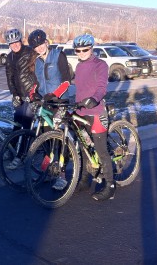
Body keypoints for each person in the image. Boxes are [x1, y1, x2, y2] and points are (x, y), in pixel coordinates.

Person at [73, 33, 115, 201]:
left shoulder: (100, 65)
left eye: (85, 49)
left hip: (96, 111)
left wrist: (94, 99)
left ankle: (110, 186)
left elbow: (101, 87)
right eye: (78, 50)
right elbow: (80, 89)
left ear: (91, 49)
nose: (82, 53)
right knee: (83, 148)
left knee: (101, 150)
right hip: (81, 113)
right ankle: (84, 180)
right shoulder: (78, 66)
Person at [28, 29, 72, 190]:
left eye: (40, 44)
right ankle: (47, 170)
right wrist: (33, 93)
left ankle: (62, 175)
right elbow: (37, 83)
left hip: (60, 102)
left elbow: (67, 80)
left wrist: (55, 94)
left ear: (46, 42)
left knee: (60, 139)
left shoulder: (58, 55)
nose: (39, 48)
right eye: (35, 46)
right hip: (46, 104)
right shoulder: (38, 62)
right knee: (46, 138)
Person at [4, 28, 38, 170]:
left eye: (16, 42)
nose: (15, 45)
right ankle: (11, 150)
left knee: (26, 127)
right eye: (12, 44)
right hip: (19, 95)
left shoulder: (30, 52)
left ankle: (21, 156)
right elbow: (10, 77)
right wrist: (14, 94)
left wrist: (35, 92)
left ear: (21, 41)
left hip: (31, 95)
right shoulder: (9, 57)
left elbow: (38, 71)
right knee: (16, 124)